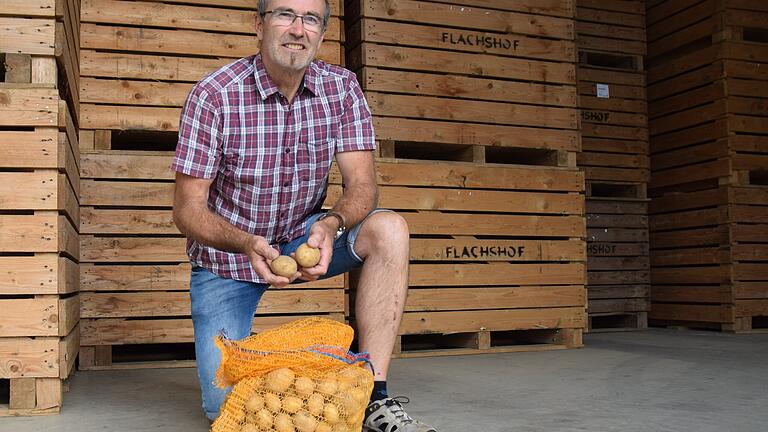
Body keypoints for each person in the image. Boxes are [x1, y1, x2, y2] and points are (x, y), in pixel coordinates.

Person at [171, 1, 438, 430]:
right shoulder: (215, 94)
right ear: (259, 25)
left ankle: (375, 394)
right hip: (229, 257)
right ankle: (278, 362)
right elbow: (186, 210)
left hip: (304, 238)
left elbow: (363, 186)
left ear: (322, 32)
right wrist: (245, 242)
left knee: (389, 228)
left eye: (310, 19)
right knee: (225, 406)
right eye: (284, 15)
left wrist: (330, 224)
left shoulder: (342, 88)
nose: (298, 29)